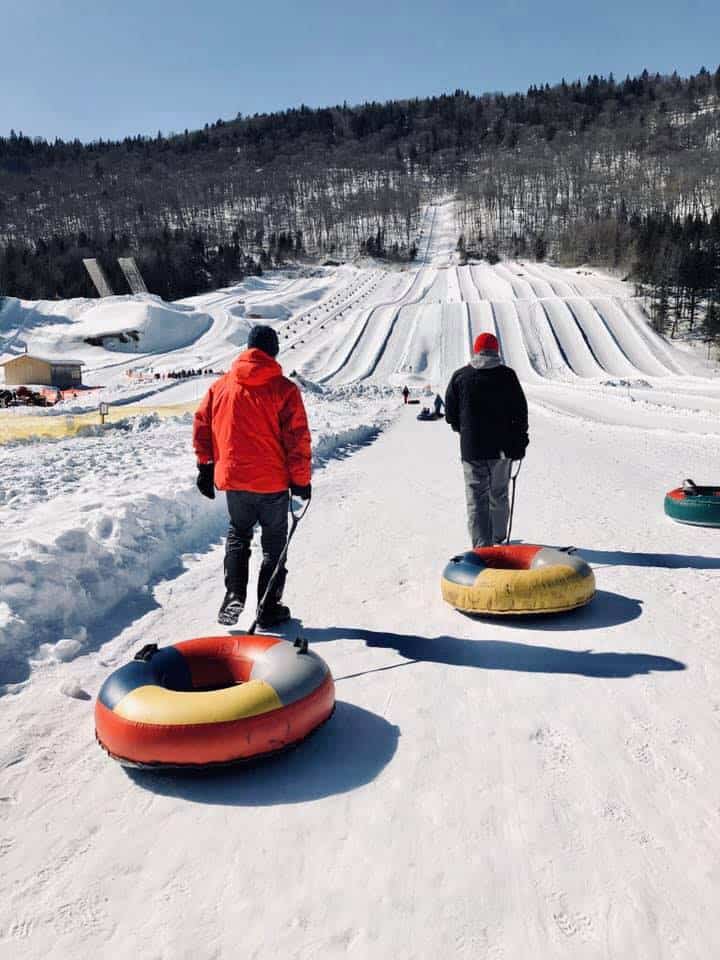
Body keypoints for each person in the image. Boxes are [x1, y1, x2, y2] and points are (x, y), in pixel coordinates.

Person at [193, 324, 312, 627]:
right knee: (273, 544)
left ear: (247, 350)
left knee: (239, 534)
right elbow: (297, 439)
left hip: (235, 481)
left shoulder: (220, 386)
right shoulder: (284, 389)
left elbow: (202, 425)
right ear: (272, 352)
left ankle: (234, 593)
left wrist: (205, 466)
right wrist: (300, 480)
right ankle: (267, 607)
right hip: (271, 483)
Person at [445, 332, 528, 548]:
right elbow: (520, 413)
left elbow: (451, 414)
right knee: (498, 493)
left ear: (476, 350)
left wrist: (462, 430)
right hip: (502, 450)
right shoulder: (508, 376)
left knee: (476, 499)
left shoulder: (460, 377)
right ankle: (498, 538)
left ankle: (482, 546)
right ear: (497, 350)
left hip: (472, 450)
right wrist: (520, 443)